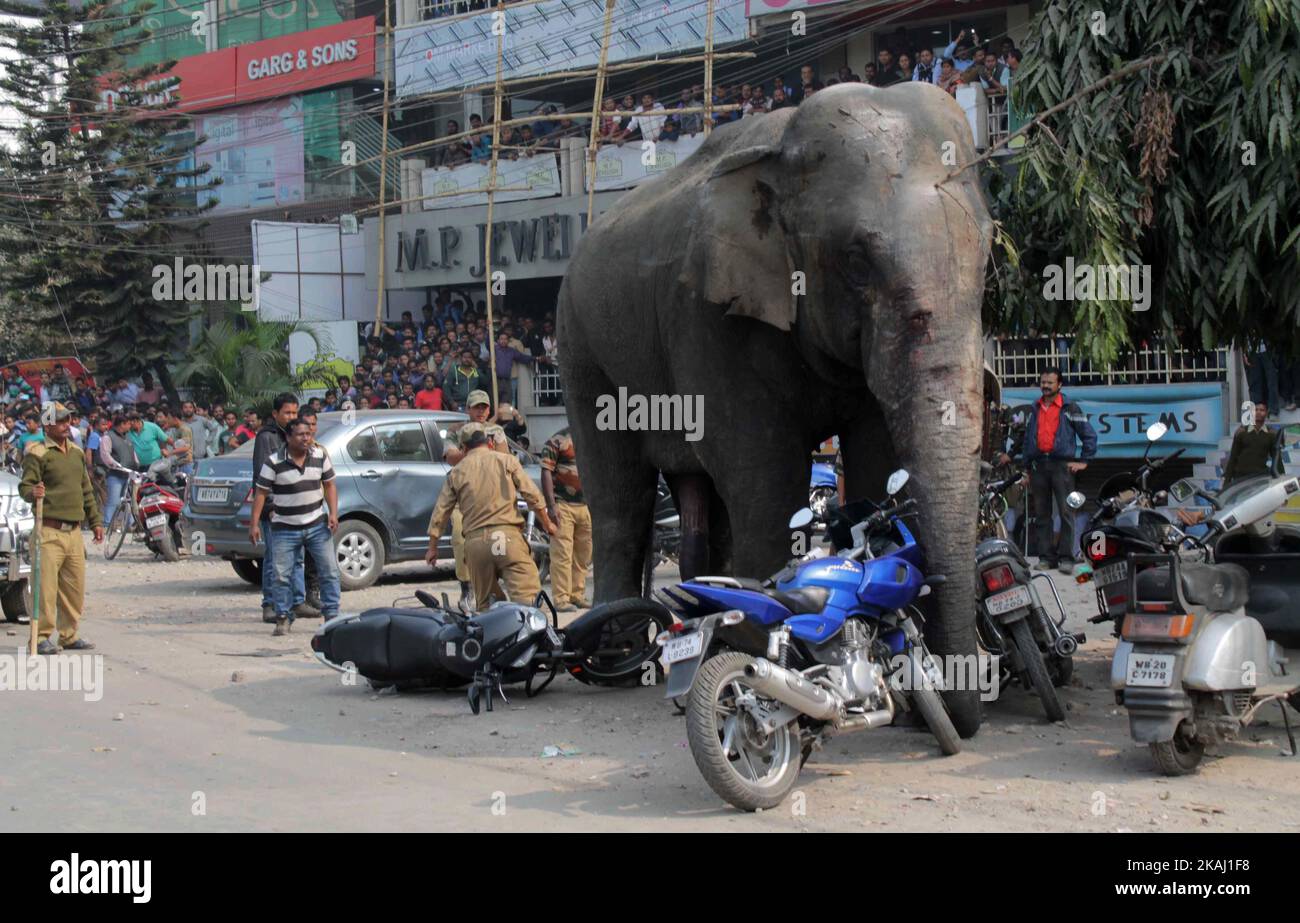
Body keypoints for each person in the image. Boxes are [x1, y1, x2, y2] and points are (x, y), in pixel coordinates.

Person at [426, 423, 555, 611]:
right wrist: (548, 524)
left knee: (488, 607)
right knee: (529, 602)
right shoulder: (507, 461)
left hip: (476, 545)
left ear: (463, 448)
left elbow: (441, 511)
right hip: (508, 539)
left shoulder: (457, 472)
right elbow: (532, 495)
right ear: (489, 442)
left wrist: (432, 547)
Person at [19, 403, 103, 654]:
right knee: (45, 589)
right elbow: (25, 487)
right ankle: (41, 637)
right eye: (61, 421)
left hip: (74, 532)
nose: (67, 425)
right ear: (47, 425)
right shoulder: (37, 453)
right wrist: (32, 492)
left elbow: (86, 489)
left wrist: (96, 521)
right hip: (48, 530)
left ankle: (69, 635)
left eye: (69, 420)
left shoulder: (77, 453)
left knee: (74, 589)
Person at [999, 368, 1098, 572]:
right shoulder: (1034, 408)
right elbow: (1027, 440)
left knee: (1066, 513)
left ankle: (1067, 559)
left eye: (1050, 383)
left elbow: (1089, 435)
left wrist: (1084, 461)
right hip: (1038, 467)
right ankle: (1046, 558)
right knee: (1042, 514)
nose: (1045, 386)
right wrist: (1026, 469)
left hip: (1062, 466)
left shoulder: (1070, 407)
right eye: (1043, 382)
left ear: (1059, 385)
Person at [249, 418, 340, 636]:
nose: (306, 438)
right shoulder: (273, 462)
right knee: (281, 575)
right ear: (288, 437)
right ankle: (283, 617)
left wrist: (334, 514)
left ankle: (332, 616)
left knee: (329, 571)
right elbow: (260, 493)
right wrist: (254, 524)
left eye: (308, 434)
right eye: (300, 434)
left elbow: (329, 485)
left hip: (317, 525)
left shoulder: (320, 456)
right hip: (284, 528)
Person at [252, 394, 317, 624]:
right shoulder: (266, 437)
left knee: (297, 557)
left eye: (294, 412)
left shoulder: (293, 435)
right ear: (275, 414)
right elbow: (262, 477)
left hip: (295, 509)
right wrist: (269, 507)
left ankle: (298, 601)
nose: (292, 416)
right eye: (287, 413)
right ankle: (269, 604)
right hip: (274, 510)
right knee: (273, 559)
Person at [540, 427, 592, 612]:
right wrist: (551, 505)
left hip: (586, 507)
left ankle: (577, 595)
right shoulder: (557, 440)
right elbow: (546, 471)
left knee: (583, 555)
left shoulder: (591, 437)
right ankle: (561, 599)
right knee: (562, 554)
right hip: (563, 506)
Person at [1222, 402, 1276, 485]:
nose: (1258, 412)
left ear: (1266, 413)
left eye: (1262, 410)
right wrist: (1226, 482)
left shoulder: (1271, 434)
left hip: (1259, 477)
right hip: (1240, 476)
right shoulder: (1241, 432)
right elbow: (1233, 457)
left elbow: (1276, 457)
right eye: (1256, 410)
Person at [99, 414, 138, 528]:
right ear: (122, 424)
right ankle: (107, 524)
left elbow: (133, 454)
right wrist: (116, 465)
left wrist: (136, 464)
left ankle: (130, 524)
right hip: (115, 474)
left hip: (129, 474)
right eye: (128, 424)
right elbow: (105, 454)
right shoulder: (108, 437)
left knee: (129, 501)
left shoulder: (127, 438)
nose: (130, 426)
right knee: (114, 500)